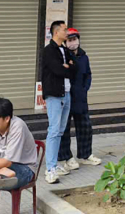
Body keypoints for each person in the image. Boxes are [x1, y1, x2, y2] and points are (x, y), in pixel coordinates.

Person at [58, 28, 102, 170]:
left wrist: (84, 89)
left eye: (74, 39)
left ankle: (85, 155)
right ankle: (66, 157)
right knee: (64, 129)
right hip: (66, 97)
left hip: (81, 98)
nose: (72, 43)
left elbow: (88, 74)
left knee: (85, 127)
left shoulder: (84, 57)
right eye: (69, 40)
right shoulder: (63, 56)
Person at [42, 20, 75, 183]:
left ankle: (54, 163)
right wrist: (65, 67)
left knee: (61, 130)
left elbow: (74, 68)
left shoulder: (65, 49)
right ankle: (50, 169)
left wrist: (68, 66)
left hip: (66, 93)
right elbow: (57, 70)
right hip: (55, 95)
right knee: (54, 130)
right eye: (64, 29)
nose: (67, 32)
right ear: (56, 32)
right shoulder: (49, 51)